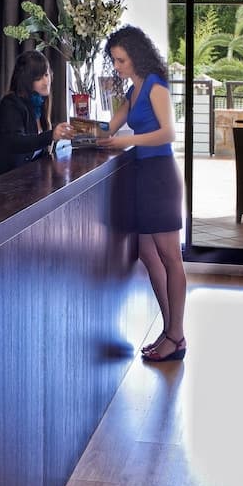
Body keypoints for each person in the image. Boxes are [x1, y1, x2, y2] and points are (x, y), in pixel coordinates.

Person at [98, 26, 187, 363]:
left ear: (136, 55)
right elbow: (109, 128)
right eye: (114, 60)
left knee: (169, 256)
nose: (117, 66)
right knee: (148, 254)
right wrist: (79, 130)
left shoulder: (155, 85)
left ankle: (176, 336)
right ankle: (169, 330)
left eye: (121, 60)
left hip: (160, 176)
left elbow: (168, 133)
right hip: (143, 176)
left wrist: (126, 141)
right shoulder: (133, 92)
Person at [0, 51, 73, 186]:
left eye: (46, 74)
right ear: (26, 80)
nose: (45, 81)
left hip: (9, 184)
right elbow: (16, 142)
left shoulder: (39, 105)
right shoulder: (10, 104)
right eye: (38, 78)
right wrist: (51, 135)